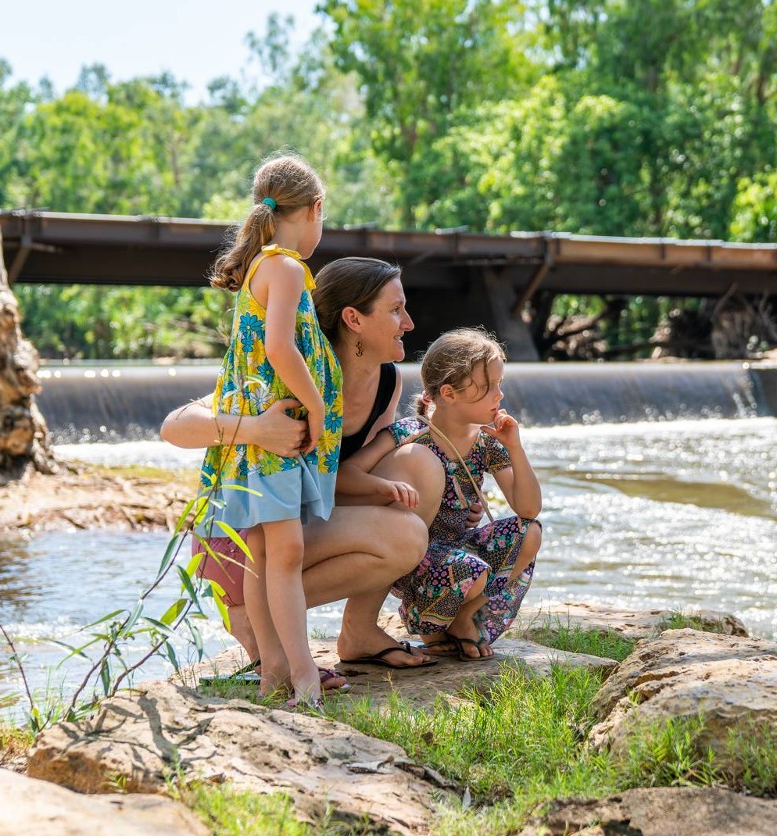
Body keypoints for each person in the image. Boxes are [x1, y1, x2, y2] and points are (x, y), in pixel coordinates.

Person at [161, 257, 439, 681]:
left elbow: (343, 477)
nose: (410, 322)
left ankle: (359, 632)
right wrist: (256, 428)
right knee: (405, 535)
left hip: (301, 528)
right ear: (354, 320)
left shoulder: (388, 381)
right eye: (396, 309)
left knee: (420, 467)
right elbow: (174, 427)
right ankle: (263, 629)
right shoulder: (290, 373)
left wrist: (393, 491)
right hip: (242, 544)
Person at [194, 153, 339, 707]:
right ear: (314, 210)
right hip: (275, 434)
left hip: (259, 437)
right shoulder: (283, 267)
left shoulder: (263, 265)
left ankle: (273, 669)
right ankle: (304, 677)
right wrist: (316, 405)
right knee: (285, 554)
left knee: (263, 553)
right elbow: (278, 347)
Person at [340, 328, 543, 661]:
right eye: (489, 387)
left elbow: (529, 508)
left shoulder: (486, 443)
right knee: (472, 570)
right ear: (449, 393)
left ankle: (463, 617)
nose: (499, 396)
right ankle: (428, 622)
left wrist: (515, 448)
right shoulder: (410, 433)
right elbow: (346, 475)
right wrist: (385, 487)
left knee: (529, 532)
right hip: (416, 558)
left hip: (460, 549)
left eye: (499, 384)